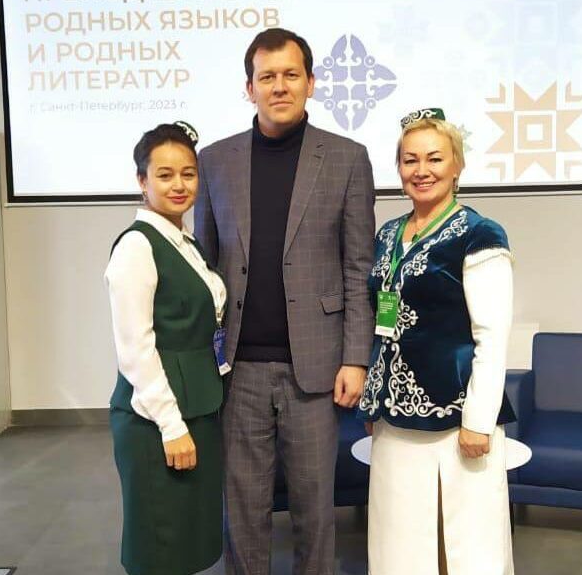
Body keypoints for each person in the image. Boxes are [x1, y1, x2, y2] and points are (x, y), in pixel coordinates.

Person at [194, 28, 375, 575]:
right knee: (243, 512)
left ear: (311, 83)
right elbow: (205, 269)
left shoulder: (347, 158)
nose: (279, 86)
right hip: (238, 370)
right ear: (249, 88)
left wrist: (356, 357)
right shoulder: (214, 161)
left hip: (315, 369)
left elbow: (358, 266)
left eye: (291, 75)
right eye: (267, 76)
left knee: (315, 512)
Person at [358, 109, 517, 575]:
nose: (421, 170)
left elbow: (492, 335)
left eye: (434, 158)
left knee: (465, 543)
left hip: (457, 416)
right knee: (399, 540)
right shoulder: (388, 234)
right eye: (410, 160)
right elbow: (382, 320)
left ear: (457, 165)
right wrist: (374, 398)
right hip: (394, 418)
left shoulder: (479, 234)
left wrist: (479, 422)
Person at [105, 122, 226, 575]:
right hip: (157, 420)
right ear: (142, 181)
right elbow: (135, 348)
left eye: (188, 174)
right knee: (160, 542)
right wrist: (171, 427)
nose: (179, 185)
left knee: (185, 542)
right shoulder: (137, 246)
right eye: (165, 174)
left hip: (196, 407)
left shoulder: (185, 241)